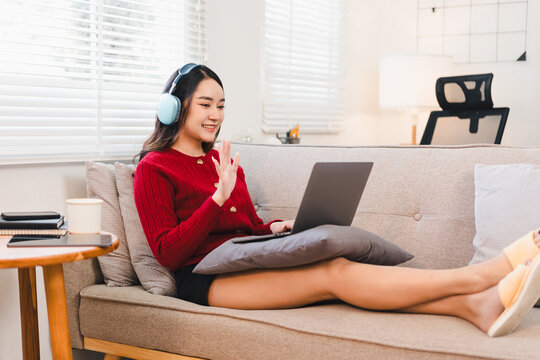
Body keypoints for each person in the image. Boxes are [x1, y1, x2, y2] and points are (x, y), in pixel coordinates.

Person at [133, 63, 540, 337]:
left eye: (220, 105)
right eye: (205, 104)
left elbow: (247, 231)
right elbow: (168, 253)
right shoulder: (155, 167)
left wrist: (274, 229)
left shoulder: (222, 161)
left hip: (245, 257)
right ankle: (481, 276)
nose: (215, 115)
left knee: (340, 266)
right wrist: (217, 199)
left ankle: (474, 307)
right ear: (174, 108)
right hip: (204, 279)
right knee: (333, 275)